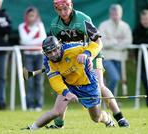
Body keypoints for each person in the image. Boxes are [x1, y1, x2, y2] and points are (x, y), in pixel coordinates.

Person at [49, 0, 129, 128]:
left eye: (65, 9)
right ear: (55, 9)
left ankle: (119, 117)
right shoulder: (54, 24)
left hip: (93, 54)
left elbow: (98, 42)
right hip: (73, 62)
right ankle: (59, 124)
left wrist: (88, 55)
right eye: (59, 10)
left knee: (100, 85)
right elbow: (57, 48)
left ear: (71, 6)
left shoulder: (83, 19)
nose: (63, 13)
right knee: (65, 89)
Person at [22, 36, 116, 130]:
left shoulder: (73, 48)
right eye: (49, 53)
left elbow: (94, 45)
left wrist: (87, 53)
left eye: (54, 50)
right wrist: (67, 93)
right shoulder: (48, 62)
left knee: (96, 117)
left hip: (88, 83)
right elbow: (55, 81)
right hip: (70, 84)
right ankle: (31, 128)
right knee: (56, 111)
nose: (53, 54)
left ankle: (108, 119)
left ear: (59, 47)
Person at [98, 4, 132, 95]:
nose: (115, 16)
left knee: (115, 80)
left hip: (121, 58)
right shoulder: (103, 25)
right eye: (113, 14)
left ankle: (111, 99)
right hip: (106, 57)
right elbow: (102, 42)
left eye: (117, 14)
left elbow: (128, 42)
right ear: (110, 14)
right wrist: (117, 41)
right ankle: (110, 99)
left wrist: (111, 42)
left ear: (121, 14)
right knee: (114, 78)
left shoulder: (125, 26)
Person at [18, 6, 47, 111]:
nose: (31, 18)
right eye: (29, 16)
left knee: (39, 81)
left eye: (33, 15)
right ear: (26, 16)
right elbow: (24, 41)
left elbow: (43, 39)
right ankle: (29, 105)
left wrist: (27, 41)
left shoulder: (40, 25)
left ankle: (38, 105)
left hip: (39, 55)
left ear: (36, 16)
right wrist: (35, 32)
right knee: (29, 80)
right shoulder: (22, 26)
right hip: (28, 55)